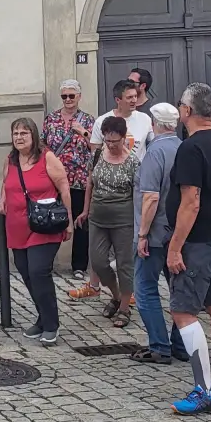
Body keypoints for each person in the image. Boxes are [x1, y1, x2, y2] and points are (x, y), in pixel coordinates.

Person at [165, 84, 211, 416]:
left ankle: (204, 389)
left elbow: (190, 202)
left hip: (197, 242)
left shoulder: (192, 147)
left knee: (183, 313)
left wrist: (175, 247)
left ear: (186, 111)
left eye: (181, 105)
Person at [0, 118, 73, 345]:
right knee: (26, 272)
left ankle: (51, 324)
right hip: (17, 224)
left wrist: (69, 220)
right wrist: (2, 201)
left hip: (45, 224)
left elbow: (64, 186)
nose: (19, 137)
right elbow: (6, 184)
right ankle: (42, 318)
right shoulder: (10, 160)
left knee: (39, 270)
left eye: (24, 133)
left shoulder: (47, 158)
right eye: (16, 133)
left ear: (34, 136)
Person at [129, 103, 183, 364]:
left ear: (155, 124)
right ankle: (181, 344)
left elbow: (150, 197)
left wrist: (142, 235)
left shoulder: (156, 152)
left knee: (145, 289)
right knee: (178, 290)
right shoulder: (183, 148)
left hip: (155, 233)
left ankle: (160, 346)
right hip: (177, 232)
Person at [79, 114, 140, 327]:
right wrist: (85, 210)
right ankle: (115, 295)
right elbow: (89, 184)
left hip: (123, 219)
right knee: (98, 261)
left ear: (124, 138)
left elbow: (137, 193)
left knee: (124, 264)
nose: (111, 145)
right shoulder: (96, 156)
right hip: (98, 217)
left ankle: (124, 307)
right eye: (107, 140)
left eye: (115, 140)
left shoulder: (133, 161)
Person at [43, 80, 95, 278]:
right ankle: (48, 261)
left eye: (71, 96)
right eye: (64, 96)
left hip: (80, 178)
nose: (68, 100)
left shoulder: (89, 120)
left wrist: (83, 132)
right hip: (55, 178)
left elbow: (96, 147)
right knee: (53, 219)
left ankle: (79, 265)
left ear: (79, 97)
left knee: (81, 222)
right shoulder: (51, 119)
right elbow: (44, 145)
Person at [92, 79, 154, 160]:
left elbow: (155, 145)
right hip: (112, 171)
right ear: (118, 100)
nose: (134, 100)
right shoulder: (101, 121)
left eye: (135, 96)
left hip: (138, 171)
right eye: (129, 97)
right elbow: (95, 154)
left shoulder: (145, 119)